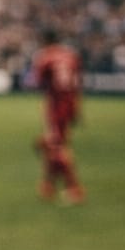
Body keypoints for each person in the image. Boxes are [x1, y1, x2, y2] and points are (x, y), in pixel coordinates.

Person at [30, 28, 85, 203]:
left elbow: (37, 82)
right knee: (56, 142)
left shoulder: (45, 57)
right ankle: (48, 185)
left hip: (56, 104)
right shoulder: (71, 55)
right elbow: (77, 83)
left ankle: (74, 188)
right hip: (71, 103)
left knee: (56, 146)